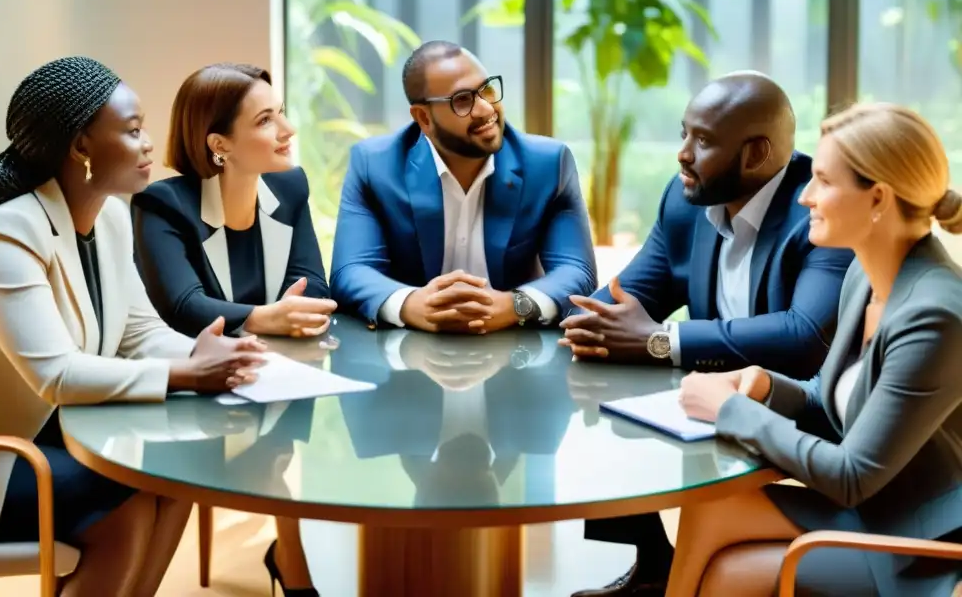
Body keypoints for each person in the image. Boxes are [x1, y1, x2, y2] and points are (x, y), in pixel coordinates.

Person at [0, 57, 266, 597]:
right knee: (126, 505)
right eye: (133, 131)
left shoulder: (111, 218)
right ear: (81, 147)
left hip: (50, 435)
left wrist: (211, 353)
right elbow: (56, 376)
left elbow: (139, 334)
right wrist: (187, 375)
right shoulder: (7, 235)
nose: (147, 146)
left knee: (181, 472)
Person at [564, 72, 854, 597]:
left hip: (800, 406)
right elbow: (625, 298)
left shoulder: (819, 209)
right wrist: (578, 319)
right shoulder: (685, 201)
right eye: (683, 134)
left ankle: (671, 578)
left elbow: (803, 337)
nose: (682, 154)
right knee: (607, 386)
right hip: (715, 391)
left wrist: (663, 340)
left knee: (644, 369)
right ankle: (651, 565)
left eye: (702, 141)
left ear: (756, 154)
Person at [668, 102, 962, 597]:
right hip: (871, 509)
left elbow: (852, 475)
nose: (804, 196)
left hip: (919, 540)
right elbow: (832, 404)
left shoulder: (935, 315)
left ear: (878, 200)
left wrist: (732, 411)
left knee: (732, 575)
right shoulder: (863, 275)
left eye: (823, 181)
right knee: (707, 506)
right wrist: (764, 386)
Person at [131, 63, 334, 596]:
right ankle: (293, 570)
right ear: (219, 144)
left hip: (271, 376)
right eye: (267, 120)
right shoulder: (163, 204)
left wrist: (280, 318)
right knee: (257, 448)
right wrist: (267, 318)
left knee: (288, 436)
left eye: (281, 112)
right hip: (189, 385)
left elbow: (312, 281)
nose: (287, 130)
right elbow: (182, 306)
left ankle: (294, 567)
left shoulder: (289, 188)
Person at [330, 40, 597, 332]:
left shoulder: (547, 164)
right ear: (424, 118)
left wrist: (513, 305)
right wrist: (412, 305)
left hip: (515, 350)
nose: (485, 109)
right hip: (409, 353)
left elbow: (577, 271)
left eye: (488, 90)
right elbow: (350, 270)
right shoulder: (375, 165)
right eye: (462, 100)